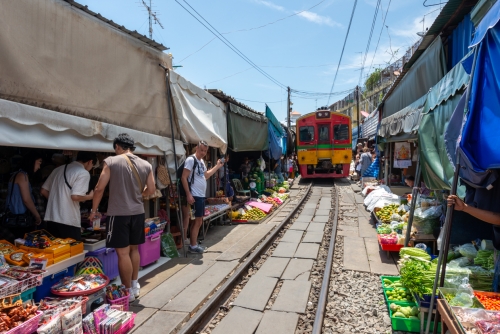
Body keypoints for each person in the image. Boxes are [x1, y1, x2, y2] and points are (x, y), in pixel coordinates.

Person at [88, 133, 155, 302]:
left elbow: (99, 188)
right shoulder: (146, 164)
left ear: (118, 146)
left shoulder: (111, 161)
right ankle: (134, 285)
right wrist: (139, 195)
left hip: (118, 214)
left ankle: (127, 291)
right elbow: (152, 190)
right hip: (138, 213)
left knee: (122, 254)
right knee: (134, 249)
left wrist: (94, 210)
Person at [41, 151, 96, 241]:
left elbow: (43, 191)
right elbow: (75, 197)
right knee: (72, 252)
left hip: (51, 218)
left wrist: (57, 202)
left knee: (56, 252)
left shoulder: (57, 169)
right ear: (90, 162)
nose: (91, 168)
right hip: (68, 220)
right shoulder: (83, 173)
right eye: (92, 166)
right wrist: (89, 197)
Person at [181, 140, 223, 254]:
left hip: (200, 195)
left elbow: (206, 175)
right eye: (202, 150)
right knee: (198, 221)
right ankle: (193, 246)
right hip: (195, 195)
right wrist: (188, 194)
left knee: (198, 221)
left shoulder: (201, 162)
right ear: (197, 148)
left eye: (205, 151)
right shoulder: (191, 160)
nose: (203, 153)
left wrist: (217, 166)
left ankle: (193, 244)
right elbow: (184, 177)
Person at [3, 151, 44, 240]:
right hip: (19, 217)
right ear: (32, 161)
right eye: (39, 162)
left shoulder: (18, 174)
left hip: (15, 216)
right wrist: (37, 215)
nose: (39, 167)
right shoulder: (22, 176)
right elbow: (26, 199)